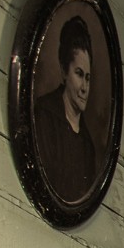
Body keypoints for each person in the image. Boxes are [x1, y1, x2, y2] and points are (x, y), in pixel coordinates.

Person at [33, 14, 97, 202]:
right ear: (64, 71)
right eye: (78, 74)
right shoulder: (45, 115)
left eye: (88, 77)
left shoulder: (88, 145)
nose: (85, 87)